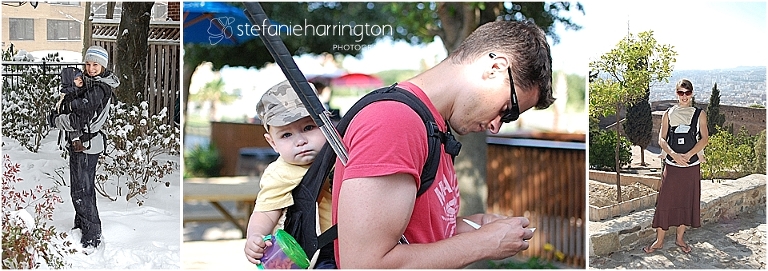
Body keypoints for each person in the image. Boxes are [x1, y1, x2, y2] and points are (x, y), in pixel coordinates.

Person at [331, 20, 554, 268]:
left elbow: (416, 235)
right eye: (507, 110)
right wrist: (483, 244)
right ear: (495, 68)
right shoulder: (396, 123)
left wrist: (478, 226)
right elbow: (365, 264)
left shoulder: (432, 126)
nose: (496, 126)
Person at [243, 80, 334, 267]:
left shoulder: (341, 151)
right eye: (286, 135)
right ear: (272, 143)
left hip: (363, 239)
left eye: (308, 128)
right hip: (321, 252)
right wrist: (256, 236)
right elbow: (266, 213)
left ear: (326, 123)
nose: (300, 141)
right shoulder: (280, 173)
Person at [49, 45, 119, 252]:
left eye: (95, 64)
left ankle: (91, 236)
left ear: (103, 66)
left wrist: (55, 120)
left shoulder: (98, 89)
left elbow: (78, 120)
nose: (90, 68)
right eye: (88, 64)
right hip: (82, 144)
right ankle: (81, 226)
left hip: (87, 145)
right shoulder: (92, 83)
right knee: (80, 189)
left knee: (82, 191)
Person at [643, 79, 709, 254]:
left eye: (687, 93)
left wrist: (688, 155)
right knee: (665, 201)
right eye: (681, 93)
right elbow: (662, 139)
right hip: (672, 166)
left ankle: (680, 239)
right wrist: (674, 155)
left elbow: (704, 138)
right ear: (676, 94)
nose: (684, 96)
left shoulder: (699, 114)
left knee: (686, 202)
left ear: (692, 94)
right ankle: (659, 241)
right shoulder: (668, 114)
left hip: (691, 165)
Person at [56, 67, 89, 152]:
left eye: (80, 77)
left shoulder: (79, 91)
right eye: (76, 79)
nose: (80, 80)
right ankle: (75, 141)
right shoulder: (71, 94)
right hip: (73, 123)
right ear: (70, 81)